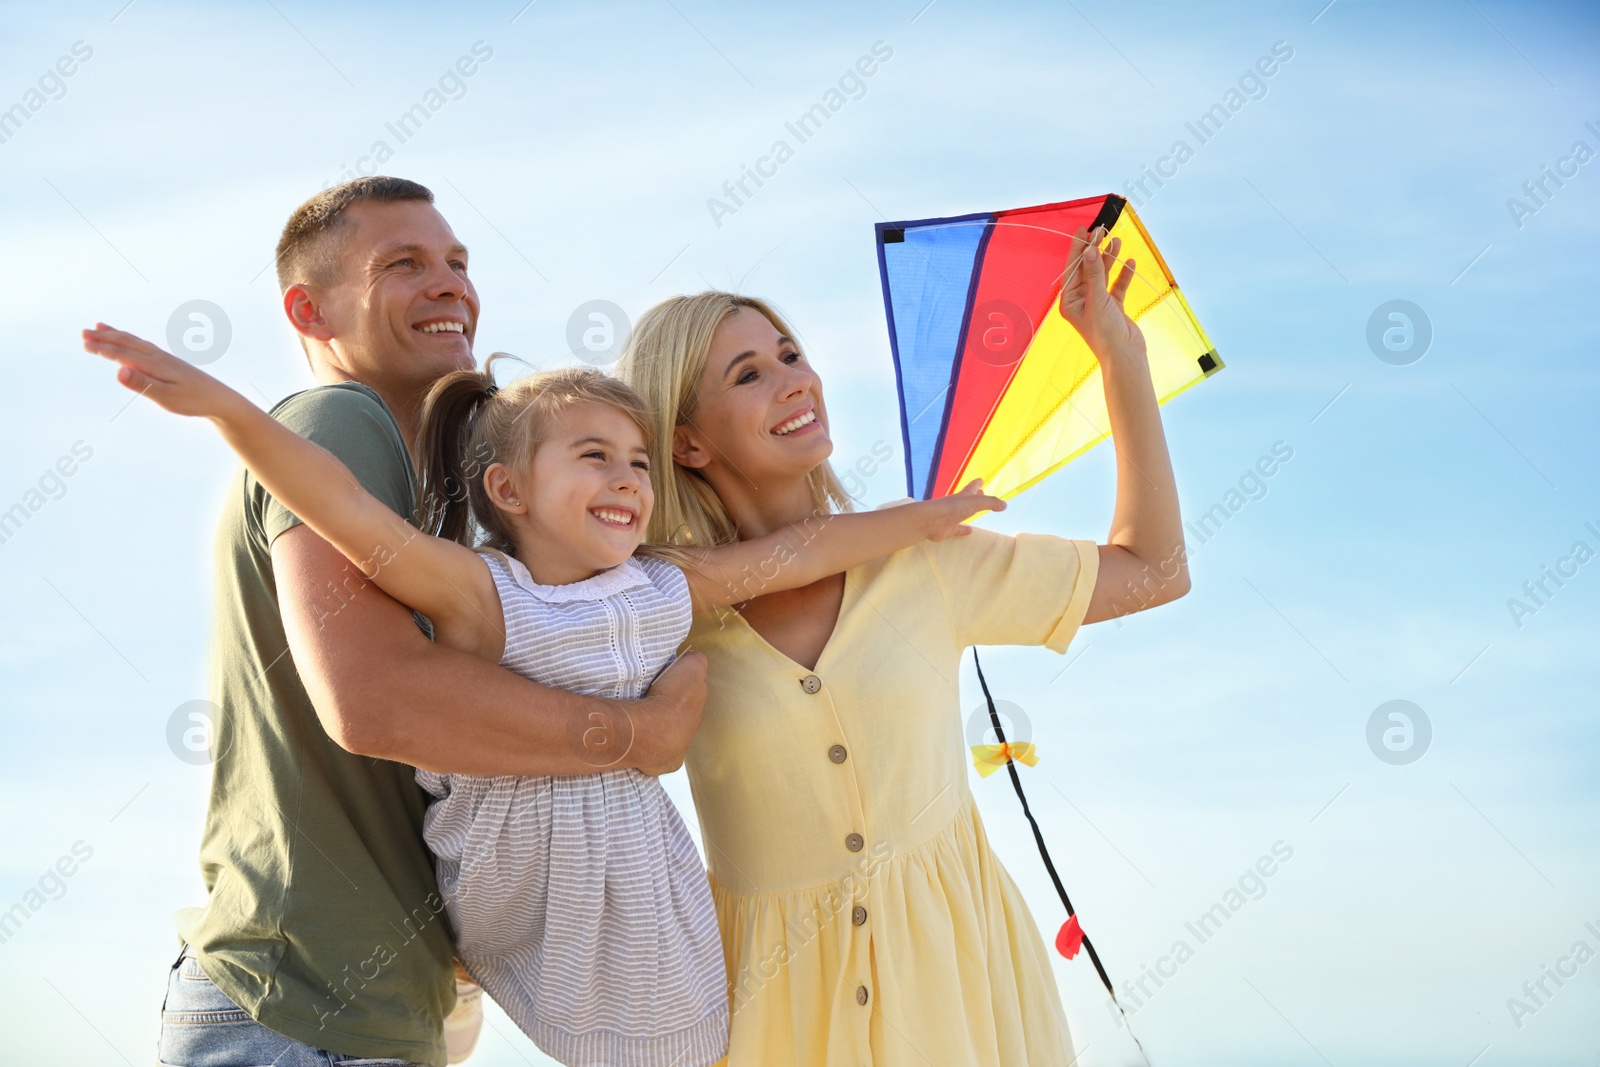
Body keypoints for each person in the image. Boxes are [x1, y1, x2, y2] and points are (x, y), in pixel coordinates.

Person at [82, 324, 1010, 1064]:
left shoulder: (662, 584)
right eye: (594, 456)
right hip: (518, 867)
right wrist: (223, 409)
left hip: (630, 862)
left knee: (690, 1032)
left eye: (641, 461)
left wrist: (919, 522)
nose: (626, 478)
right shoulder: (483, 595)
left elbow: (790, 555)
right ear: (509, 489)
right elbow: (351, 513)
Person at [111, 177, 708, 1067]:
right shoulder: (338, 419)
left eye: (458, 263)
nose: (450, 285)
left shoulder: (433, 498)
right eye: (404, 264)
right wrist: (637, 733)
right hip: (297, 1011)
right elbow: (376, 698)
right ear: (310, 311)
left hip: (360, 1015)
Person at [615, 224, 1190, 1065]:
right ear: (686, 441)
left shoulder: (924, 562)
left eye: (789, 354)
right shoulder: (657, 611)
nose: (795, 381)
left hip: (959, 989)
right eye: (749, 374)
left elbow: (1155, 570)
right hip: (769, 1005)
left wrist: (1120, 358)